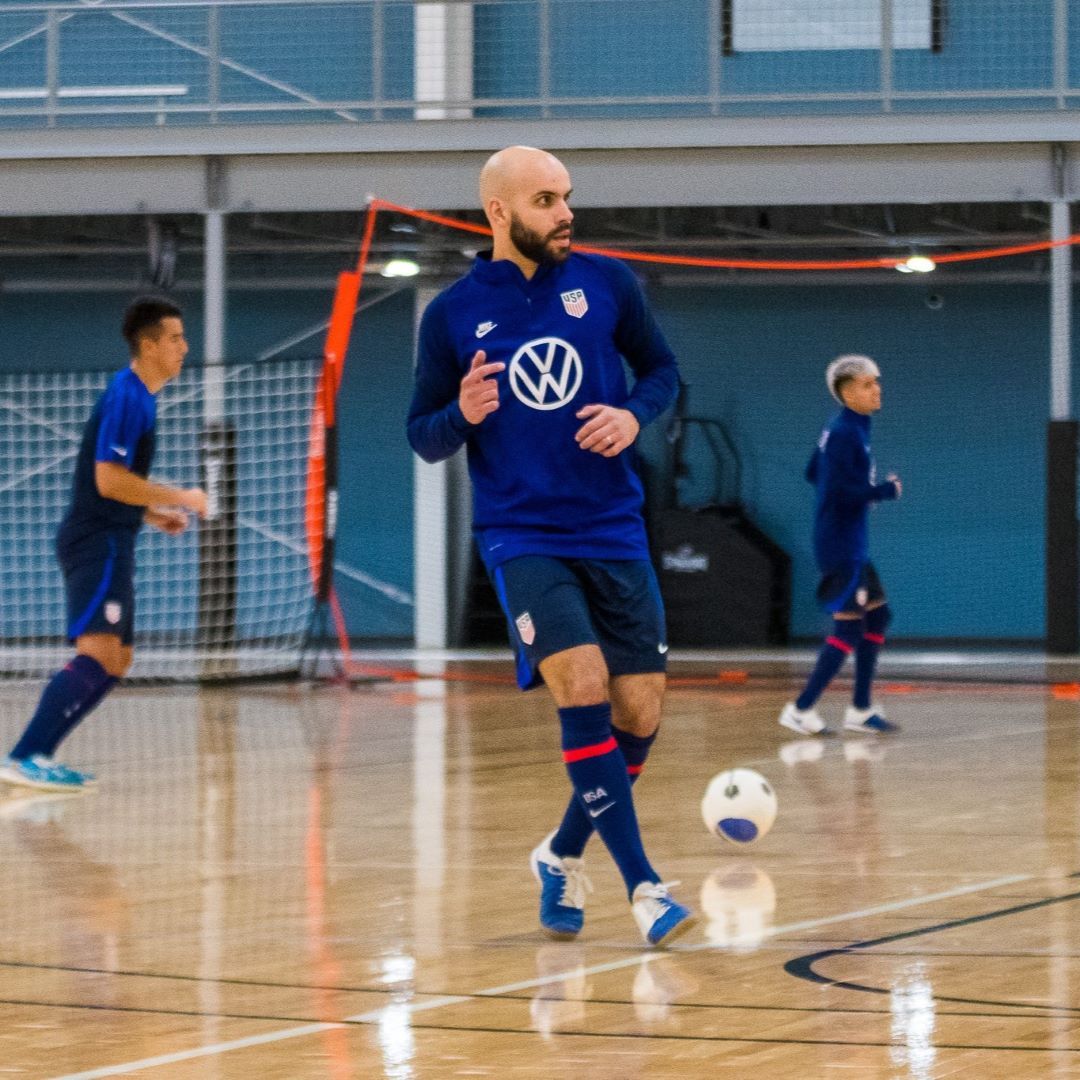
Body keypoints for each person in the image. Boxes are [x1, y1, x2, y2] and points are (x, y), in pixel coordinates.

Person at [407, 146, 694, 946]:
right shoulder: (453, 315)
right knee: (584, 681)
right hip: (521, 534)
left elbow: (662, 370)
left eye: (566, 196)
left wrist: (636, 416)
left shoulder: (607, 284)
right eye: (545, 200)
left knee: (641, 708)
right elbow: (423, 437)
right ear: (499, 212)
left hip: (613, 526)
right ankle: (643, 885)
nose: (565, 213)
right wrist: (460, 412)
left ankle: (562, 853)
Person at [0, 297, 208, 791]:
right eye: (176, 338)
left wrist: (153, 512)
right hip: (97, 542)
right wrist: (183, 495)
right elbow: (108, 479)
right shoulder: (126, 397)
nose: (185, 347)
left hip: (115, 537)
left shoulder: (141, 399)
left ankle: (40, 754)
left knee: (117, 660)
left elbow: (115, 487)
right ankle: (24, 755)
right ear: (150, 344)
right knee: (97, 652)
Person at [779, 354, 901, 737]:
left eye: (877, 381)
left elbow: (812, 471)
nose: (877, 389)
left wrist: (850, 498)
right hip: (841, 547)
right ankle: (800, 709)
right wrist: (883, 491)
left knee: (878, 617)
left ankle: (861, 710)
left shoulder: (849, 428)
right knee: (848, 629)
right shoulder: (846, 432)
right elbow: (835, 488)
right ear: (846, 392)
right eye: (867, 384)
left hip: (850, 542)